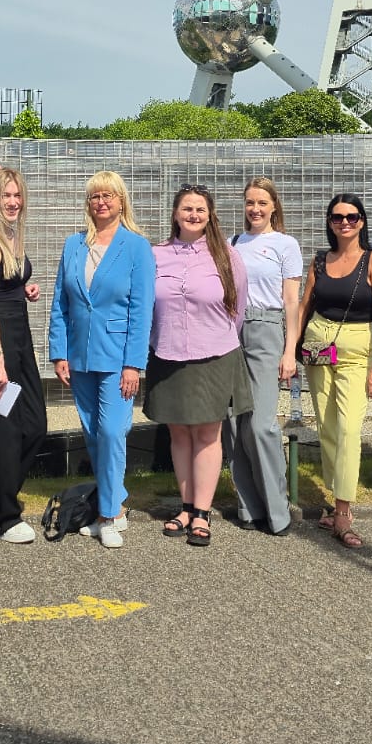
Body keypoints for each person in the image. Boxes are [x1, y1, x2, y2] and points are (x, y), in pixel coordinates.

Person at [48, 171, 155, 549]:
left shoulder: (136, 247)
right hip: (79, 356)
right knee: (94, 434)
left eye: (109, 195)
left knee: (111, 432)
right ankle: (116, 503)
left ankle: (108, 514)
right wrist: (59, 352)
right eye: (95, 196)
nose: (101, 202)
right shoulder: (73, 244)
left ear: (122, 202)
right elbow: (61, 302)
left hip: (118, 357)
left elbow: (142, 310)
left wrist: (133, 364)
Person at [146, 184, 251, 548]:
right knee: (179, 433)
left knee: (207, 433)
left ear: (210, 215)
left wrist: (215, 337)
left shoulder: (227, 256)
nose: (193, 214)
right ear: (175, 214)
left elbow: (238, 310)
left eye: (200, 209)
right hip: (168, 353)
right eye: (187, 208)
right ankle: (186, 507)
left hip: (214, 355)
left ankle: (202, 514)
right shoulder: (155, 255)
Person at [298, 193, 372, 548]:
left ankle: (343, 512)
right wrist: (291, 350)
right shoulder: (320, 261)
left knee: (350, 428)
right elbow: (304, 306)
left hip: (355, 348)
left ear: (362, 221)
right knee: (327, 426)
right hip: (318, 344)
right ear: (330, 222)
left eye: (352, 217)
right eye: (337, 217)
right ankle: (334, 496)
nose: (345, 223)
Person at [224, 178, 302, 537]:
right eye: (250, 202)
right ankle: (249, 507)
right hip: (232, 330)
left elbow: (291, 302)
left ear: (273, 207)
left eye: (262, 203)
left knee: (261, 424)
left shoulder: (285, 244)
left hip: (267, 329)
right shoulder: (232, 243)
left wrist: (290, 350)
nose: (255, 209)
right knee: (234, 423)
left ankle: (277, 511)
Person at [0, 165, 48, 544]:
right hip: (0, 342)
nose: (13, 201)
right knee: (4, 429)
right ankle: (1, 517)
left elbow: (5, 286)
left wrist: (24, 288)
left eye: (17, 194)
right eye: (5, 195)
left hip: (21, 339)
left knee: (35, 426)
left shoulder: (11, 235)